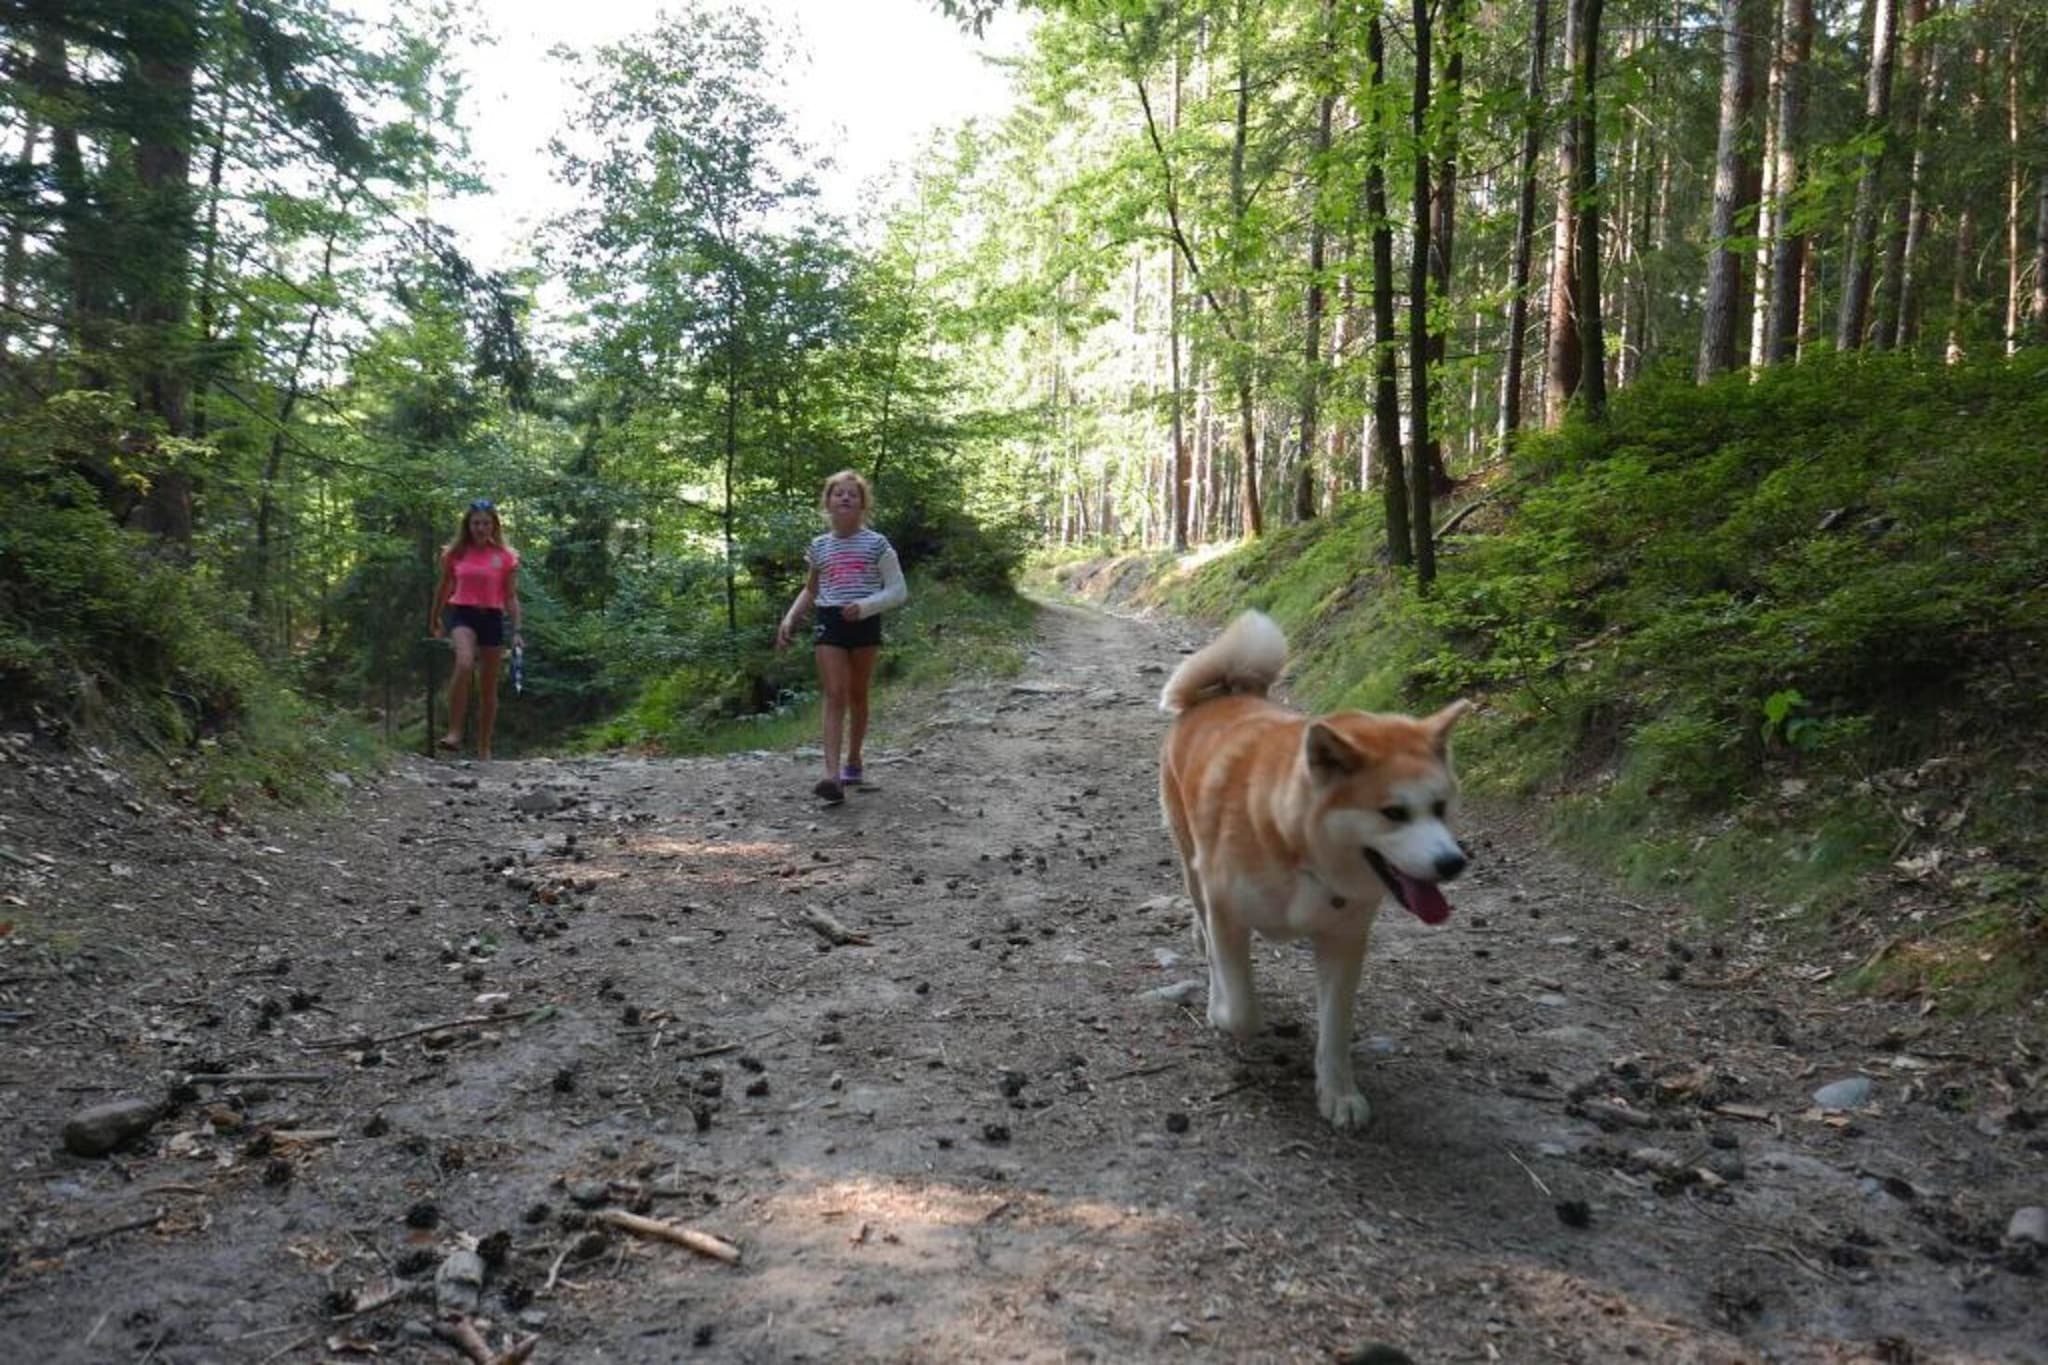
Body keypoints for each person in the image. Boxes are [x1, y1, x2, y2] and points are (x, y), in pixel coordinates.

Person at [775, 470, 907, 805]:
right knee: (835, 693)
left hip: (864, 621)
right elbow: (811, 589)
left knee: (857, 694)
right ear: (828, 503)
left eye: (853, 494)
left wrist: (865, 606)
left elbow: (898, 590)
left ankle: (854, 759)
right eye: (839, 493)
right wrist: (791, 617)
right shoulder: (819, 547)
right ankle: (831, 776)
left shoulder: (877, 543)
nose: (845, 498)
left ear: (863, 504)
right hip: (830, 619)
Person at [429, 498, 524, 760]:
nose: (480, 528)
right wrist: (435, 618)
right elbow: (444, 587)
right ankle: (455, 732)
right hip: (462, 615)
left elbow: (510, 596)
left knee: (488, 687)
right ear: (467, 525)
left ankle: (484, 747)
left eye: (485, 523)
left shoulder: (506, 557)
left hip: (492, 617)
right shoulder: (455, 554)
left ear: (494, 525)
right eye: (475, 523)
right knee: (464, 663)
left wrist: (517, 629)